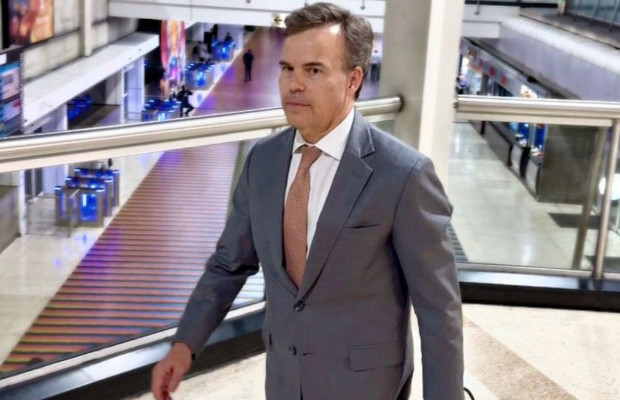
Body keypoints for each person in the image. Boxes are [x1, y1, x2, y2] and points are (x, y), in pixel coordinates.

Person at [151, 3, 463, 400]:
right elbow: (228, 264)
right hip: (284, 380)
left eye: (313, 70)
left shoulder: (403, 174)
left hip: (366, 387)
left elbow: (439, 311)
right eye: (287, 69)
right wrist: (184, 344)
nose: (294, 84)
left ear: (353, 80)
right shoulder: (262, 161)